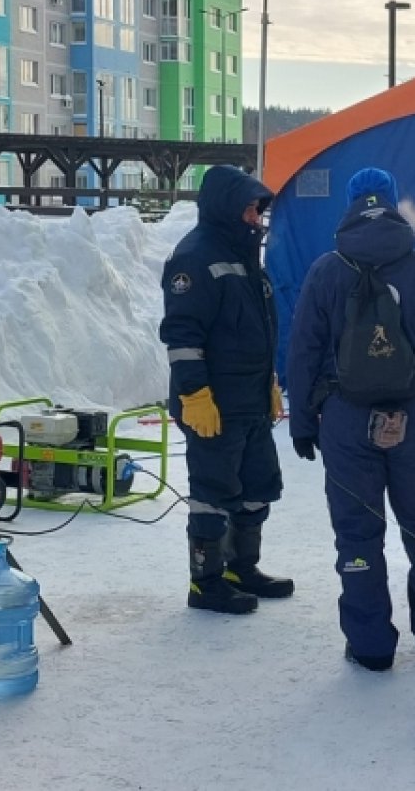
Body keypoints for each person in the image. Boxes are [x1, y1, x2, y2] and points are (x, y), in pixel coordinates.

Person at [287, 167, 415, 670]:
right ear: (392, 205)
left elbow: (302, 351)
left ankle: (369, 646)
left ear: (349, 205)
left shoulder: (326, 270)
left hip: (346, 420)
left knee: (357, 534)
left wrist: (304, 420)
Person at [160, 164, 293, 615]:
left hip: (250, 401)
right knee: (213, 494)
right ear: (228, 208)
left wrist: (269, 383)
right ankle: (207, 582)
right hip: (213, 405)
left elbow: (255, 331)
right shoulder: (195, 258)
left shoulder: (243, 258)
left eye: (259, 210)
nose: (257, 217)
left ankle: (242, 567)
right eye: (252, 209)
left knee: (258, 487)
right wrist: (195, 395)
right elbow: (182, 336)